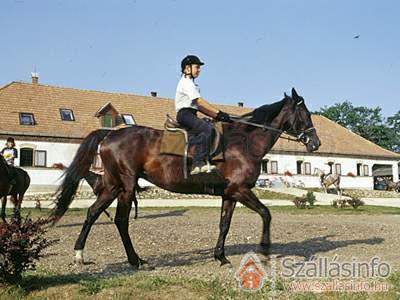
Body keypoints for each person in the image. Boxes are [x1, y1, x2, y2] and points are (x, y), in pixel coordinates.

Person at [175, 55, 232, 175]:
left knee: (210, 125)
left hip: (191, 113)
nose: (199, 70)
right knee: (207, 129)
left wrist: (217, 116)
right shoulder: (186, 83)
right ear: (187, 69)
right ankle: (198, 163)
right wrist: (218, 112)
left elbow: (199, 107)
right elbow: (199, 102)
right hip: (184, 114)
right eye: (197, 67)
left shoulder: (192, 84)